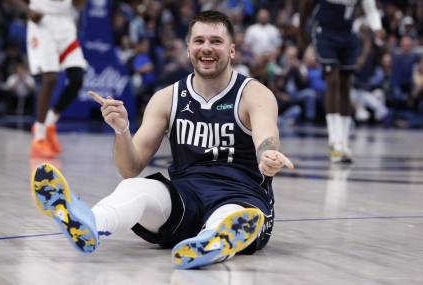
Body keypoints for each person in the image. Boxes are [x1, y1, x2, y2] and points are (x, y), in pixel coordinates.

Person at [30, 11, 294, 269]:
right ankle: (89, 223)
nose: (207, 48)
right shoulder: (167, 98)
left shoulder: (254, 94)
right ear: (188, 48)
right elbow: (129, 168)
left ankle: (214, 242)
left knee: (230, 216)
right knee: (134, 187)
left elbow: (266, 137)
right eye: (199, 41)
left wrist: (267, 155)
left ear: (232, 50)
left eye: (216, 41)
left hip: (241, 197)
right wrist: (122, 130)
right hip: (186, 201)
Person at [299, 0, 384, 163]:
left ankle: (343, 142)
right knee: (333, 81)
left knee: (346, 85)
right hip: (325, 31)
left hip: (348, 33)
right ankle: (334, 141)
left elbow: (371, 9)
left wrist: (377, 27)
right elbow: (305, 6)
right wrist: (302, 32)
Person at [12, 0, 87, 158]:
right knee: (50, 77)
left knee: (77, 78)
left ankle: (49, 123)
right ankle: (39, 137)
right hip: (42, 22)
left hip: (66, 23)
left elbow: (78, 5)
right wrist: (27, 10)